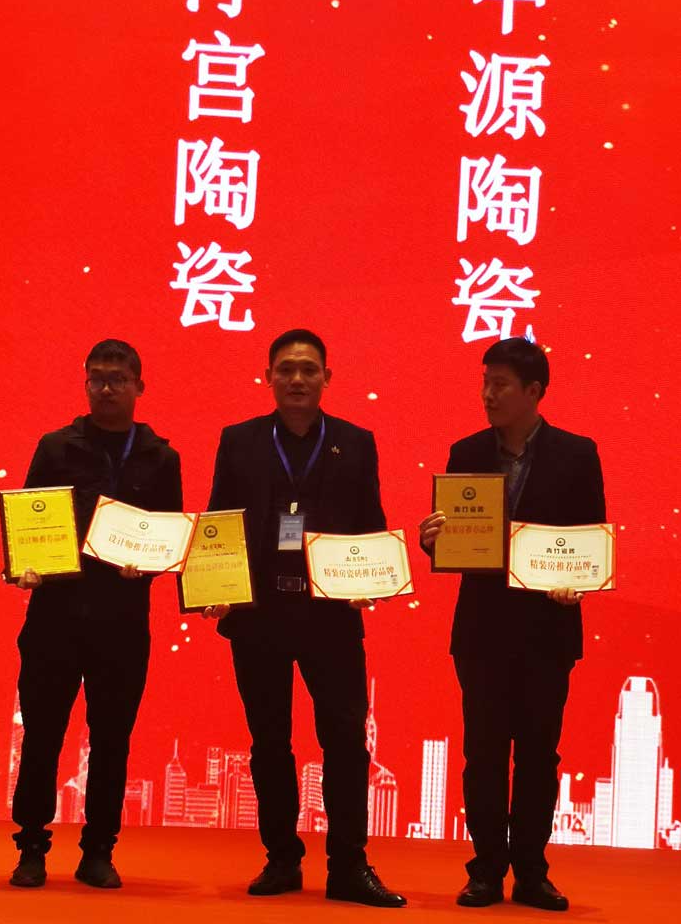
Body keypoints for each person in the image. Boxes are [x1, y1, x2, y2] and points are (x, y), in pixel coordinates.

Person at [203, 329, 406, 908]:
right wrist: (213, 583)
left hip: (330, 617)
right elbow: (219, 521)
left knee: (345, 741)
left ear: (327, 378)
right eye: (286, 369)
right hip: (259, 614)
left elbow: (370, 523)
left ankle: (349, 866)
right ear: (268, 377)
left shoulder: (355, 442)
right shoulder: (239, 440)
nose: (297, 379)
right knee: (269, 741)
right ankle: (281, 859)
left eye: (309, 369)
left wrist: (372, 579)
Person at [419, 337, 606, 912]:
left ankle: (531, 872)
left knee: (539, 757)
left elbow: (589, 540)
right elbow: (455, 541)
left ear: (534, 391)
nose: (488, 394)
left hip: (548, 629)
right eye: (485, 382)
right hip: (482, 630)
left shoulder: (577, 454)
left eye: (500, 384)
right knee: (483, 754)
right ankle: (484, 872)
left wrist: (578, 582)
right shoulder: (466, 452)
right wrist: (433, 541)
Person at [9, 339, 182, 890]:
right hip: (53, 617)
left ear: (139, 387)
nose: (107, 388)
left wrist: (147, 567)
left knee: (111, 739)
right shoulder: (56, 446)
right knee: (42, 735)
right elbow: (28, 520)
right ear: (86, 384)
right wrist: (26, 565)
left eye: (118, 379)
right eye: (97, 379)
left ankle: (99, 851)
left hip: (123, 622)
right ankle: (31, 846)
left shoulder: (161, 457)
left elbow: (170, 534)